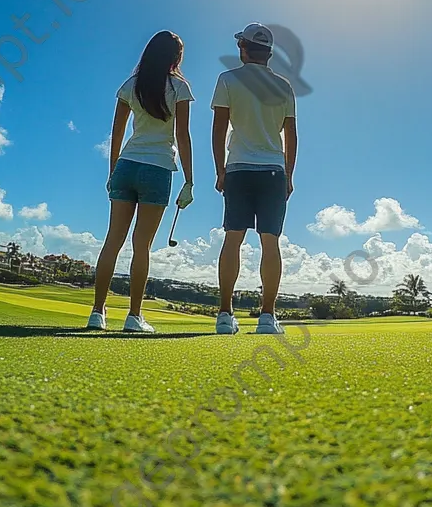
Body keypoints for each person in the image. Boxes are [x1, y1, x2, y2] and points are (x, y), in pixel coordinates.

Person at [88, 31, 194, 333]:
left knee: (112, 241)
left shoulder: (129, 85)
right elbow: (183, 137)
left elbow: (117, 133)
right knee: (141, 246)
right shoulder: (180, 88)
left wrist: (112, 171)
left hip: (126, 166)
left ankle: (97, 313)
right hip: (158, 169)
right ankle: (134, 317)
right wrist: (189, 180)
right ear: (175, 58)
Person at [212, 23, 297, 335]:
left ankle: (224, 314)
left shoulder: (227, 79)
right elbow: (291, 135)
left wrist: (220, 169)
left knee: (233, 238)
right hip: (273, 170)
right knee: (270, 241)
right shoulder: (284, 86)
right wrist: (289, 175)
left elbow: (219, 129)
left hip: (238, 169)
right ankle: (267, 317)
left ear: (242, 48)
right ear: (269, 54)